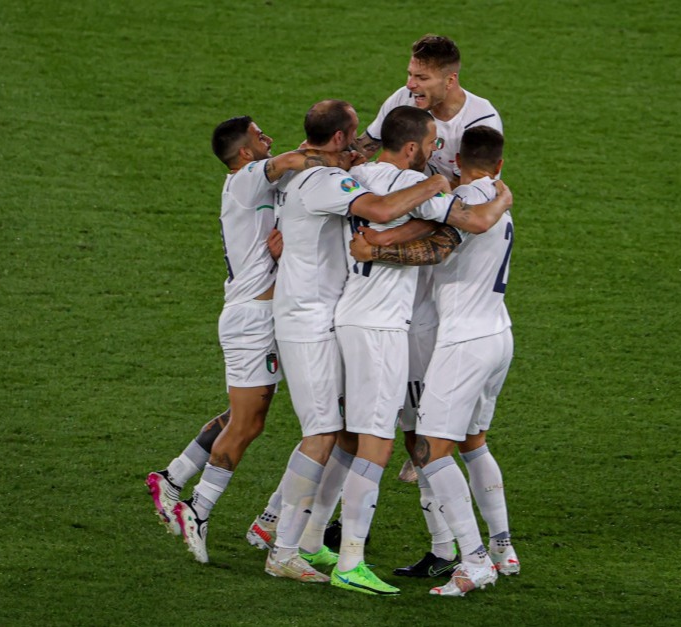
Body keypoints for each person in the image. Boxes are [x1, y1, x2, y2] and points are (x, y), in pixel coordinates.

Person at [262, 99, 454, 584]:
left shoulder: (350, 176)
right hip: (368, 325)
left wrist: (387, 237)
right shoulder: (390, 182)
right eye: (431, 144)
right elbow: (456, 222)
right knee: (365, 440)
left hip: (341, 316)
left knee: (345, 435)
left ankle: (306, 541)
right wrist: (448, 185)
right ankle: (346, 559)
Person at [146, 116, 352, 564]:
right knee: (247, 424)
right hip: (250, 319)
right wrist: (337, 150)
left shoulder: (260, 184)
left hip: (264, 315)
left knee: (244, 414)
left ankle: (173, 477)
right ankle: (197, 511)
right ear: (243, 151)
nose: (268, 140)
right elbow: (298, 156)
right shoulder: (243, 180)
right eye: (260, 137)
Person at [328, 105, 514, 595]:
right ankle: (498, 548)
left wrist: (377, 248)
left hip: (454, 340)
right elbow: (453, 224)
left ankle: (469, 559)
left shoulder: (375, 179)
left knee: (426, 450)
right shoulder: (487, 193)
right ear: (499, 163)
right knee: (469, 444)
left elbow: (442, 242)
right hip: (496, 333)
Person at [354, 34, 502, 188]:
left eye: (422, 78)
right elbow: (366, 146)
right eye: (410, 74)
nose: (410, 85)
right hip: (411, 197)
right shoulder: (404, 98)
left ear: (450, 80)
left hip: (452, 204)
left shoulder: (480, 120)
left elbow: (471, 190)